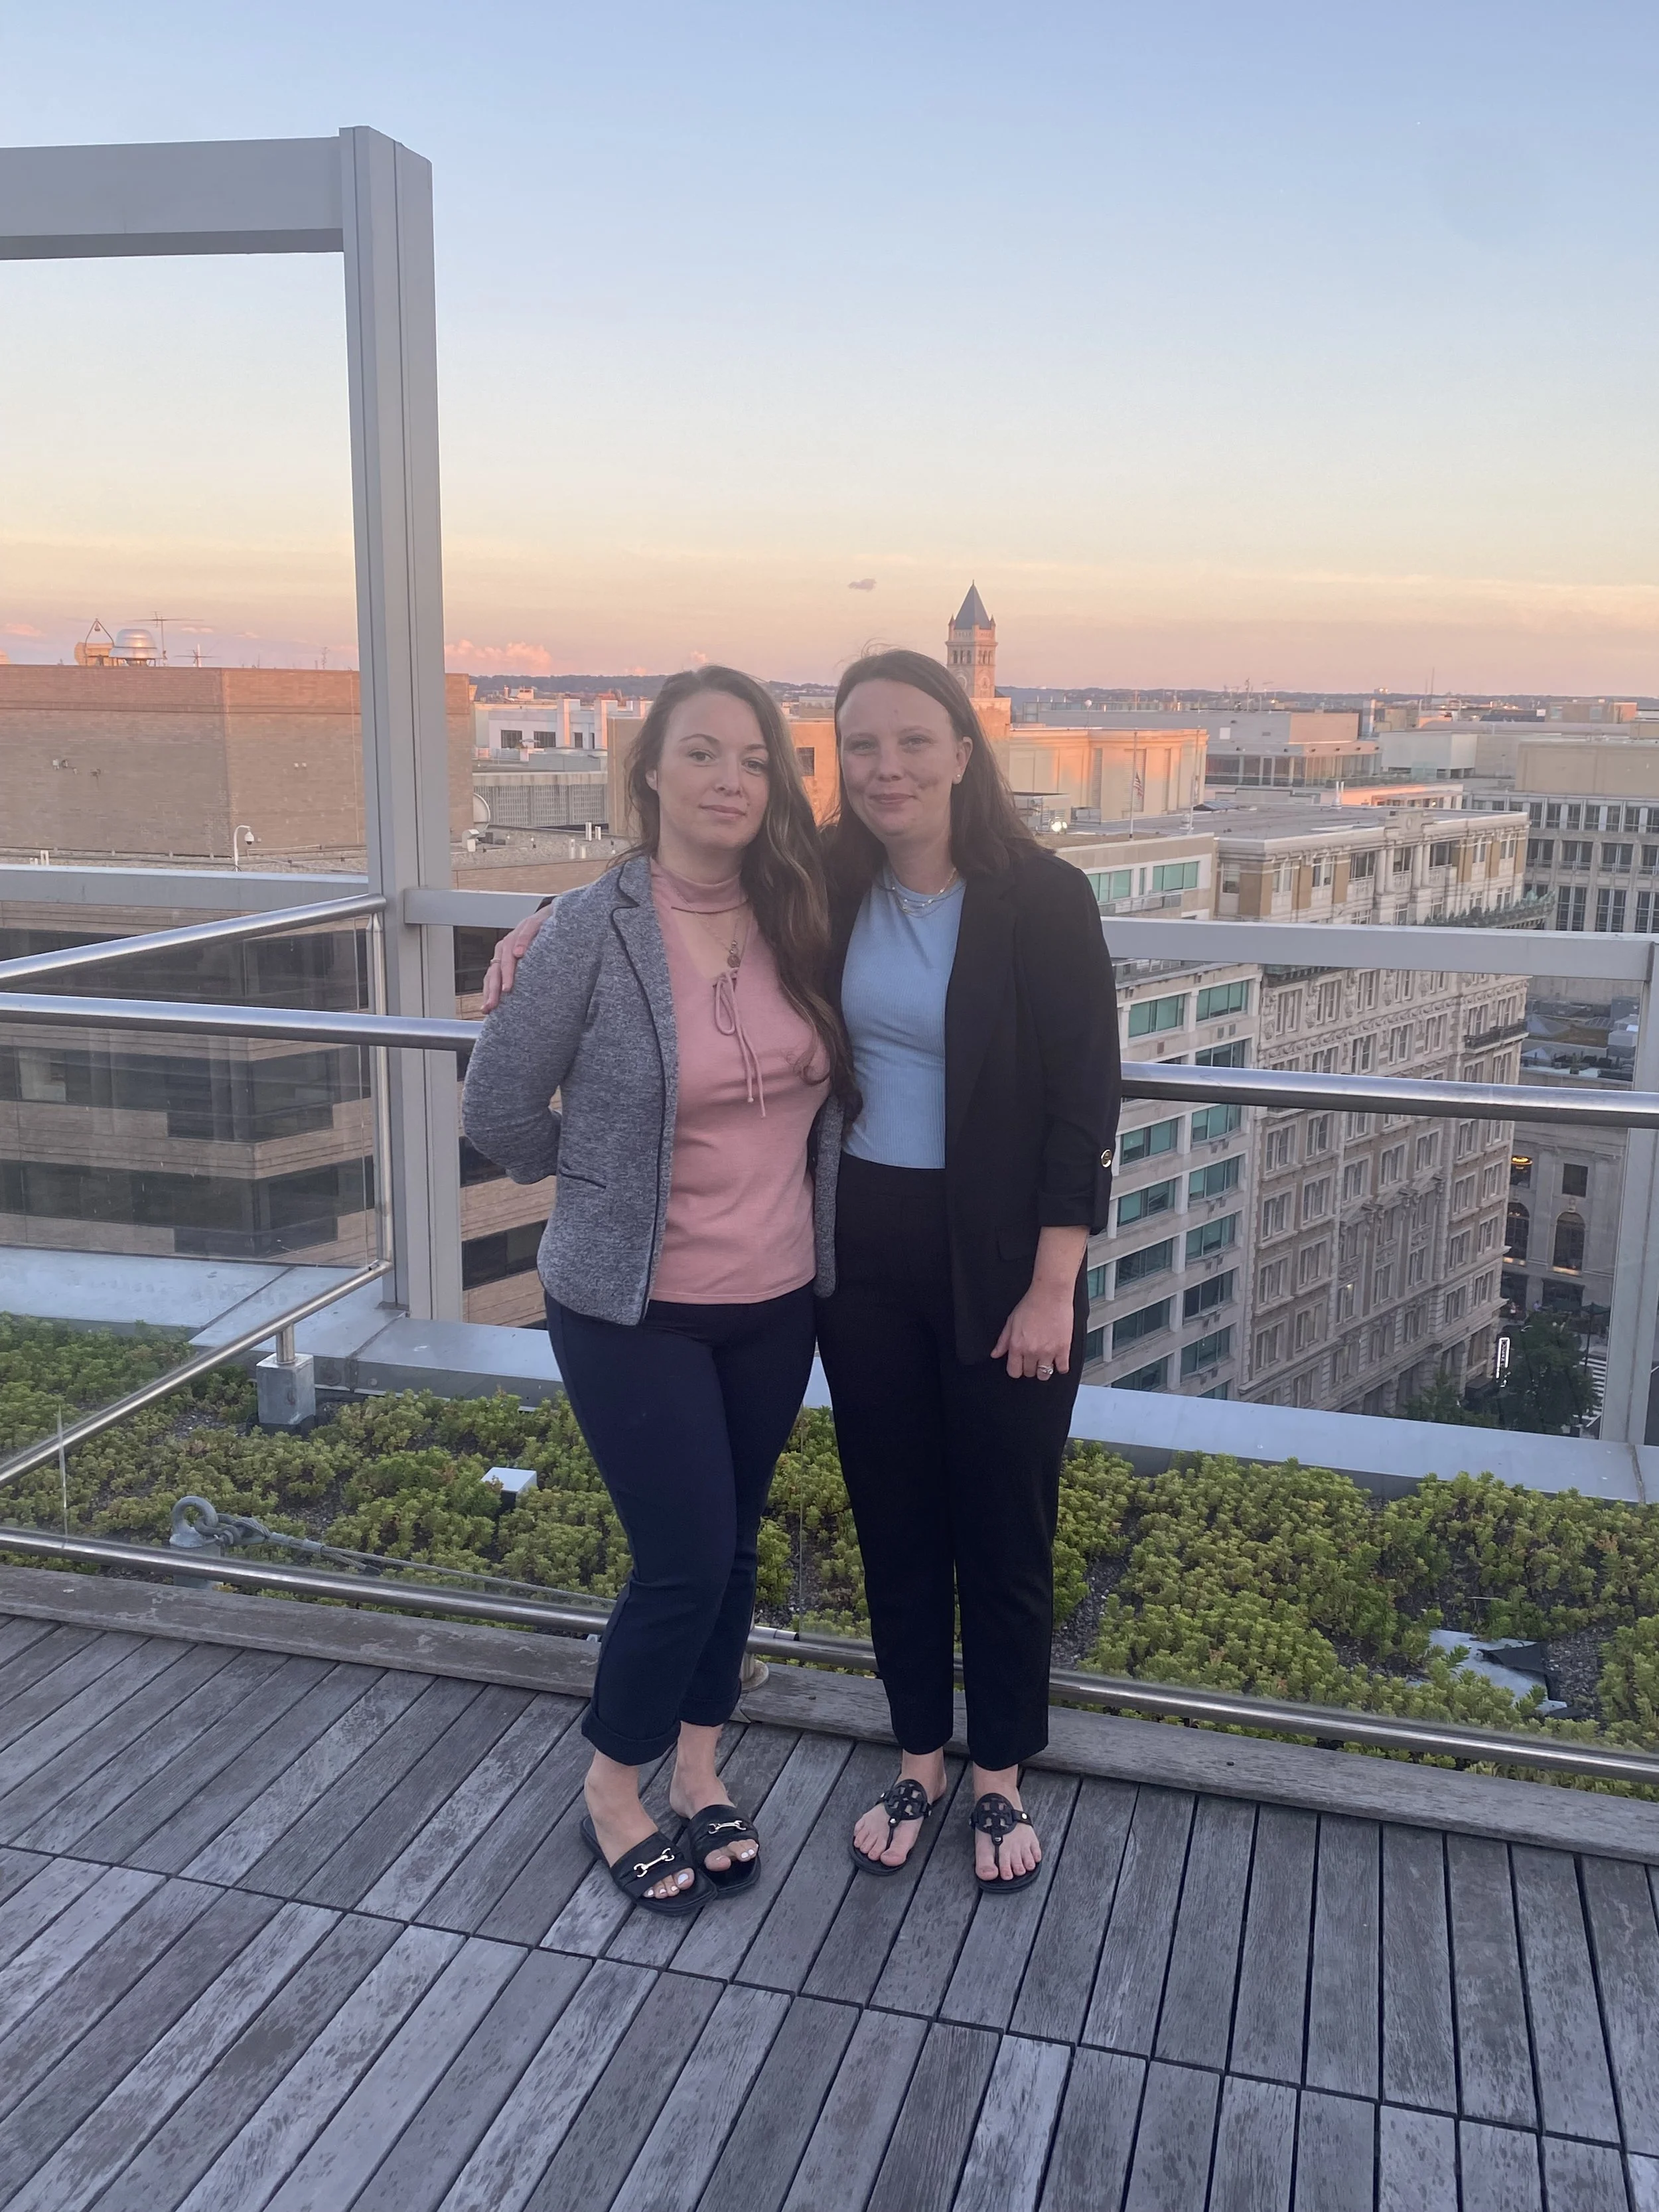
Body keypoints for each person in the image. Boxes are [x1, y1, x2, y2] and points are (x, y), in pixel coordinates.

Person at [462, 667, 849, 1915]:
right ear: (650, 775)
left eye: (753, 759)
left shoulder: (807, 908)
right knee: (681, 1557)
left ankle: (698, 1766)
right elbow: (498, 1103)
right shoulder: (594, 926)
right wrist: (600, 1181)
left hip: (778, 1295)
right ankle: (612, 1786)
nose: (730, 779)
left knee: (731, 1550)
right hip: (630, 1304)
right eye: (702, 755)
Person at [820, 649, 1119, 1892]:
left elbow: (1081, 1102)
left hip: (1005, 1254)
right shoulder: (829, 881)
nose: (885, 766)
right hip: (861, 1243)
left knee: (1004, 1518)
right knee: (893, 1511)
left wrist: (1054, 1286)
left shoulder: (1040, 897)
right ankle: (918, 1751)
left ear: (960, 751)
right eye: (859, 746)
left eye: (910, 741)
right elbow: (682, 892)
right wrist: (546, 926)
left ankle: (997, 1770)